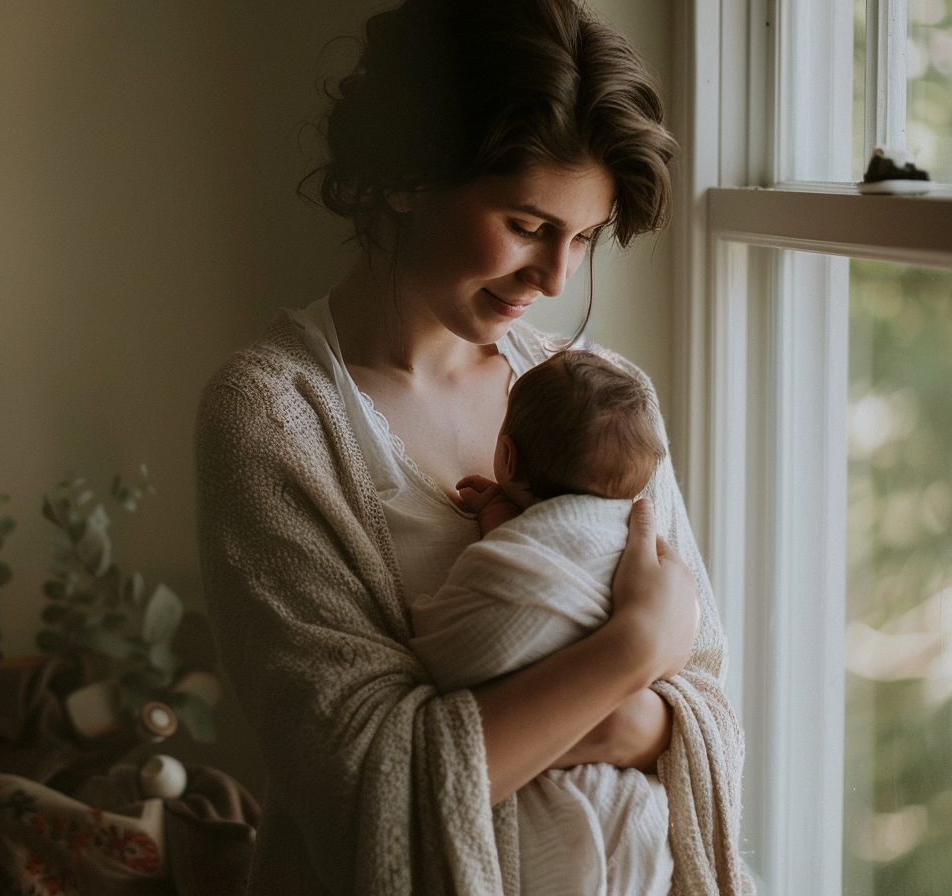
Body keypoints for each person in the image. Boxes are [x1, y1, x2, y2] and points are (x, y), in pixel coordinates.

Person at [194, 0, 751, 893]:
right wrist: (631, 654)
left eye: (585, 237)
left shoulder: (599, 397)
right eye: (529, 225)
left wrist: (594, 714)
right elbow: (361, 781)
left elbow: (710, 709)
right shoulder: (273, 415)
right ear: (405, 176)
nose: (557, 277)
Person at [409, 349, 675, 896]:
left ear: (505, 457)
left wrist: (495, 523)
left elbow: (456, 650)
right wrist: (640, 646)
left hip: (539, 812)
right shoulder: (636, 539)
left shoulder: (518, 553)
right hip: (635, 807)